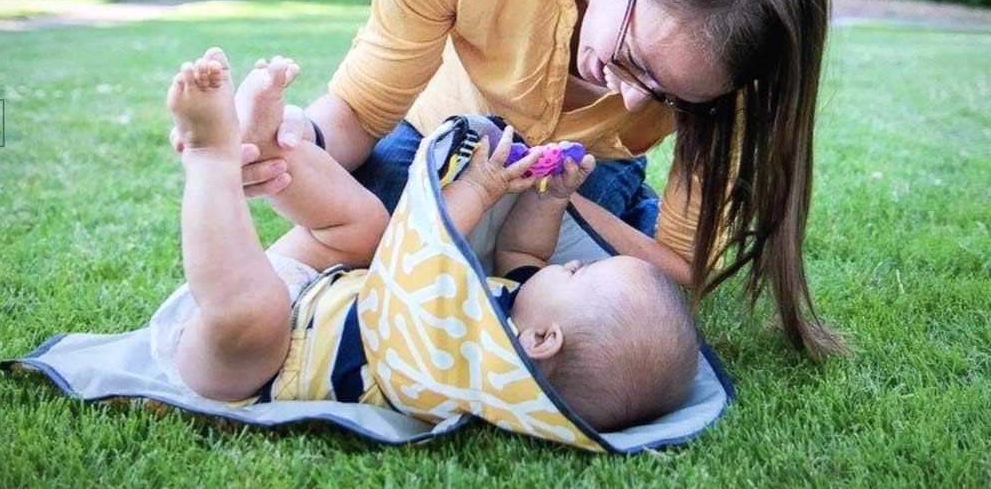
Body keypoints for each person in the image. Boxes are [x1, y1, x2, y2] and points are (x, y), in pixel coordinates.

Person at [173, 0, 842, 357]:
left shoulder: (740, 52)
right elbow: (358, 112)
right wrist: (291, 139)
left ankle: (609, 210)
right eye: (633, 60)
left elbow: (680, 271)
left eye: (673, 98)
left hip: (584, 173)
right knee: (383, 232)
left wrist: (552, 193)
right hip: (438, 137)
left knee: (618, 309)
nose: (634, 101)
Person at [156, 48, 698, 431]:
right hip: (319, 288)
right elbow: (523, 253)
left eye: (585, 274)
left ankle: (212, 159)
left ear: (544, 340)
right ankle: (271, 148)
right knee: (366, 228)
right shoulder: (524, 309)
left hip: (254, 365)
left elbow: (418, 257)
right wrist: (550, 199)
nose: (575, 265)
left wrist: (481, 186)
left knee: (255, 311)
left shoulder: (474, 374)